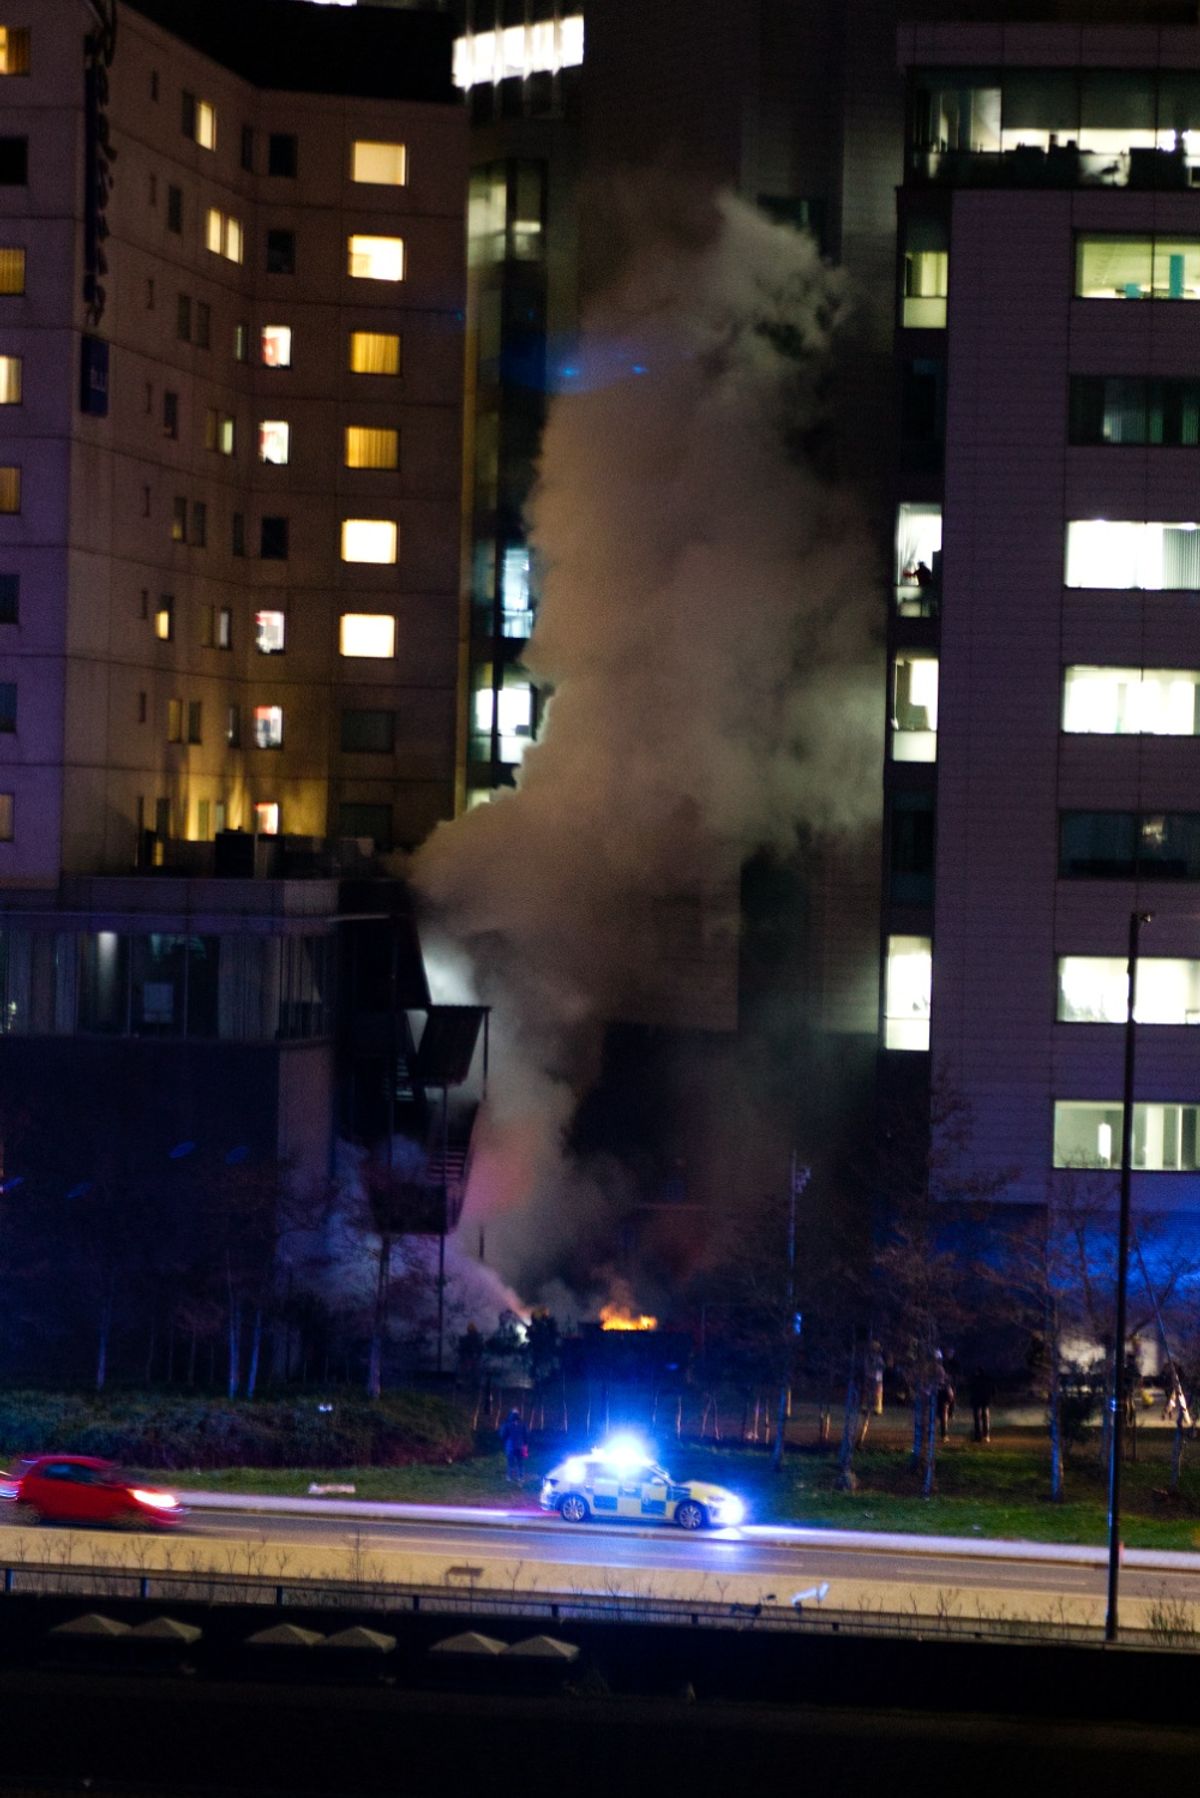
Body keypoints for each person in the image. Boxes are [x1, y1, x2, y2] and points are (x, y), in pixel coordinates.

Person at [499, 1407, 528, 1485]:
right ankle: (520, 1477)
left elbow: (502, 1435)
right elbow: (526, 1435)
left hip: (510, 1445)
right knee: (520, 1462)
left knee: (510, 1462)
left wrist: (506, 1440)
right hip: (520, 1445)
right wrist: (525, 1444)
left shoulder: (506, 1423)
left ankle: (509, 1477)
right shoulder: (523, 1423)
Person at [969, 1367, 995, 1443]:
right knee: (985, 1419)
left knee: (977, 1419)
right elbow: (993, 1390)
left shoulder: (974, 1379)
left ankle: (978, 1436)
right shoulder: (988, 1379)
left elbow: (970, 1389)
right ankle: (986, 1436)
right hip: (985, 1401)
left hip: (976, 1401)